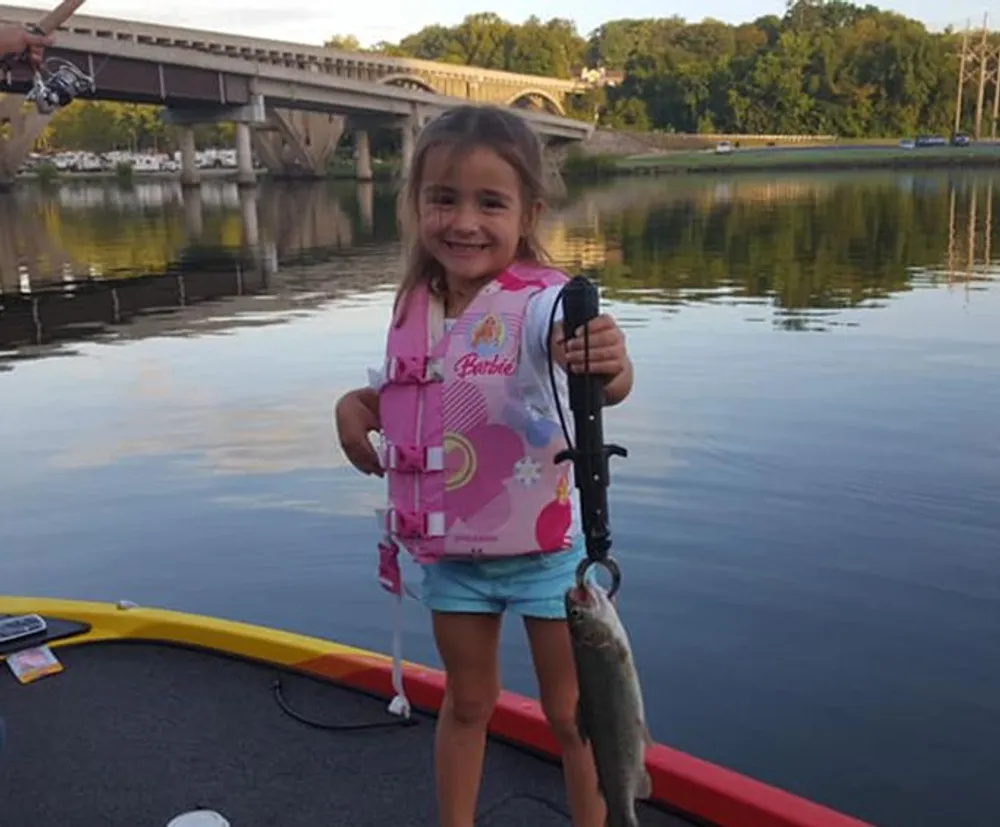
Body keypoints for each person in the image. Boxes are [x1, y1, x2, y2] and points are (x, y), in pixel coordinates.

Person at [334, 103, 634, 827]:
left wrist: (611, 362)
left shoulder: (540, 305)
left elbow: (603, 380)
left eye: (489, 203)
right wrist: (357, 404)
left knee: (573, 716)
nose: (463, 221)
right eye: (443, 199)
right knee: (467, 703)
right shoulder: (417, 301)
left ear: (528, 210)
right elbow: (409, 395)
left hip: (545, 560)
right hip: (448, 555)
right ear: (416, 206)